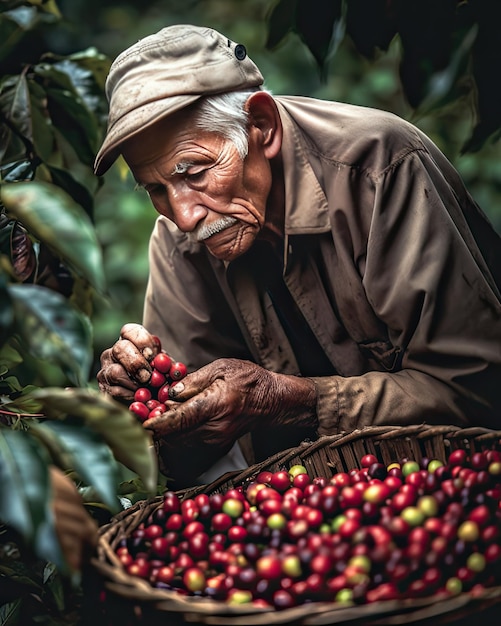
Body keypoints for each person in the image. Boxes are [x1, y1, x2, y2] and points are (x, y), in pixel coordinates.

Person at [95, 24, 501, 487]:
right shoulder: (177, 239)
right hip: (311, 510)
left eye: (195, 171)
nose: (184, 216)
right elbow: (182, 458)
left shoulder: (379, 170)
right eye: (156, 189)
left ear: (262, 126)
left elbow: (479, 391)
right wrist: (144, 401)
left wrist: (293, 401)